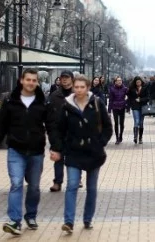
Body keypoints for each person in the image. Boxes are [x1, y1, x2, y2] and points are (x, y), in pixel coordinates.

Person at [0, 68, 56, 236]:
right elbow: (2, 125)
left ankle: (31, 215)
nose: (31, 83)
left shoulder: (43, 102)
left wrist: (55, 147)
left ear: (37, 83)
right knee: (16, 183)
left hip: (36, 151)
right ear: (21, 81)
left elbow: (51, 127)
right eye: (28, 80)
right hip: (16, 150)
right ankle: (14, 221)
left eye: (34, 80)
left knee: (33, 187)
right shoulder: (10, 101)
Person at [50, 74, 113, 234]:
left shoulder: (97, 104)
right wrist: (58, 147)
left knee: (91, 188)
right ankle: (69, 222)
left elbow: (107, 127)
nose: (78, 90)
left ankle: (87, 218)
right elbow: (59, 129)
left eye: (82, 87)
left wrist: (100, 142)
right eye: (76, 87)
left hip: (93, 152)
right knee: (72, 185)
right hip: (73, 152)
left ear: (88, 88)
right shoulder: (67, 106)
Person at [48, 70, 76, 192]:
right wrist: (51, 131)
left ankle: (75, 180)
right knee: (58, 157)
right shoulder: (55, 95)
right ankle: (57, 182)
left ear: (72, 79)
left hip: (74, 132)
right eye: (62, 77)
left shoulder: (77, 94)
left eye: (67, 77)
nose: (64, 80)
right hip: (58, 132)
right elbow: (49, 114)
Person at [127, 76, 149, 144]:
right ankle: (135, 137)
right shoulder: (132, 89)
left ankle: (140, 138)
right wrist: (128, 106)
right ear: (135, 82)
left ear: (141, 82)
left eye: (139, 82)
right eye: (137, 82)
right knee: (136, 121)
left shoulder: (145, 88)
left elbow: (148, 97)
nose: (138, 83)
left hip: (143, 106)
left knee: (141, 122)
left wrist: (141, 99)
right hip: (135, 106)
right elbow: (129, 98)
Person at [108, 76, 129, 144]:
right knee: (116, 123)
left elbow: (129, 97)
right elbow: (110, 100)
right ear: (115, 82)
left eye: (120, 80)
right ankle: (117, 138)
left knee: (121, 123)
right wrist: (109, 110)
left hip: (122, 107)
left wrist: (127, 105)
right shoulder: (112, 89)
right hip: (115, 107)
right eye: (118, 80)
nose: (119, 81)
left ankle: (121, 136)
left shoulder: (125, 89)